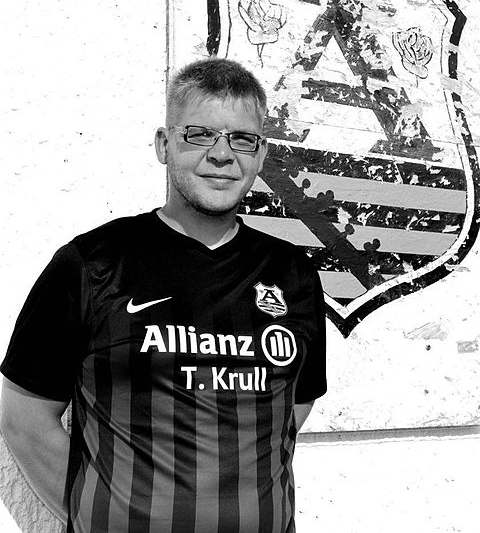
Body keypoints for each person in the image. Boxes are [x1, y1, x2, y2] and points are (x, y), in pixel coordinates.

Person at [0, 58, 327, 532]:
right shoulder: (92, 264)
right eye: (199, 134)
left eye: (242, 139)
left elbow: (289, 409)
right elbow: (24, 417)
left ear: (260, 155)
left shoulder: (294, 273)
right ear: (164, 144)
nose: (222, 155)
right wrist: (96, 518)